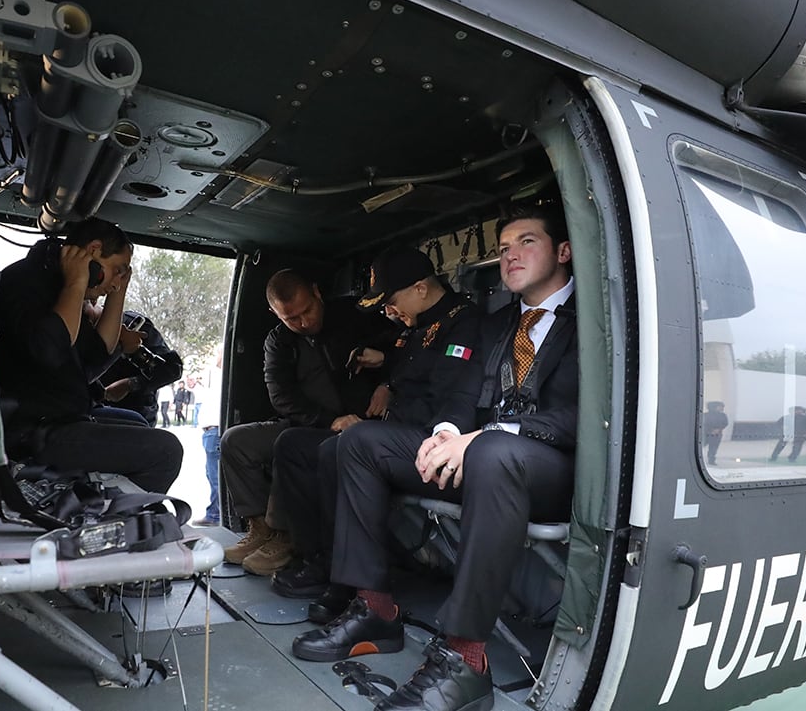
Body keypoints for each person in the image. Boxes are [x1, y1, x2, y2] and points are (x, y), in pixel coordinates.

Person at [291, 204, 578, 711]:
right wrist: (446, 433)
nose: (510, 255)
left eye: (526, 242)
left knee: (492, 449)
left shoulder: (593, 321)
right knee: (359, 443)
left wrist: (487, 434)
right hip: (483, 456)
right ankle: (375, 608)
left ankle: (465, 659)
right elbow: (463, 392)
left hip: (551, 467)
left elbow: (585, 414)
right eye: (503, 247)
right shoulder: (495, 324)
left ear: (563, 251)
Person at [270, 248, 478, 616]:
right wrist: (386, 376)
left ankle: (359, 592)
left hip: (433, 439)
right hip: (396, 432)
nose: (389, 312)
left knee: (350, 443)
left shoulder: (462, 322)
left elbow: (450, 394)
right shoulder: (413, 326)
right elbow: (406, 363)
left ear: (420, 289)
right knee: (301, 444)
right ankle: (323, 560)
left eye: (392, 302)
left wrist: (392, 397)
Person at [219, 269, 392, 576]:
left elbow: (405, 348)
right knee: (236, 441)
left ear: (317, 292)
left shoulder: (355, 315)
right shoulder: (279, 341)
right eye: (291, 319)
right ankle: (261, 529)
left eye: (307, 311)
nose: (304, 322)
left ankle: (286, 536)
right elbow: (281, 396)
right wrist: (329, 420)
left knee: (291, 446)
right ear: (275, 314)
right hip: (311, 421)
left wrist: (388, 381)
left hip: (360, 423)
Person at [0, 220, 182, 493]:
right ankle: (109, 512)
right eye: (117, 270)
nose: (115, 282)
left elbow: (94, 359)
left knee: (137, 422)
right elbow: (50, 351)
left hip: (58, 418)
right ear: (93, 250)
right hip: (31, 431)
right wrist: (77, 282)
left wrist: (118, 292)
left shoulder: (61, 288)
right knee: (166, 451)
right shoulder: (26, 282)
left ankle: (102, 501)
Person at [92, 310, 183, 427]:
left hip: (138, 418)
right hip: (95, 417)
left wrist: (131, 384)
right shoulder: (78, 330)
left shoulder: (134, 324)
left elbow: (172, 369)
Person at [703, 401, 728, 465]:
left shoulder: (723, 415)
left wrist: (719, 429)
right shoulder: (705, 415)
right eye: (720, 406)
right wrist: (710, 430)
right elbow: (704, 424)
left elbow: (725, 423)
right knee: (701, 445)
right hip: (706, 434)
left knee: (713, 448)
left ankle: (711, 460)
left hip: (717, 434)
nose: (722, 408)